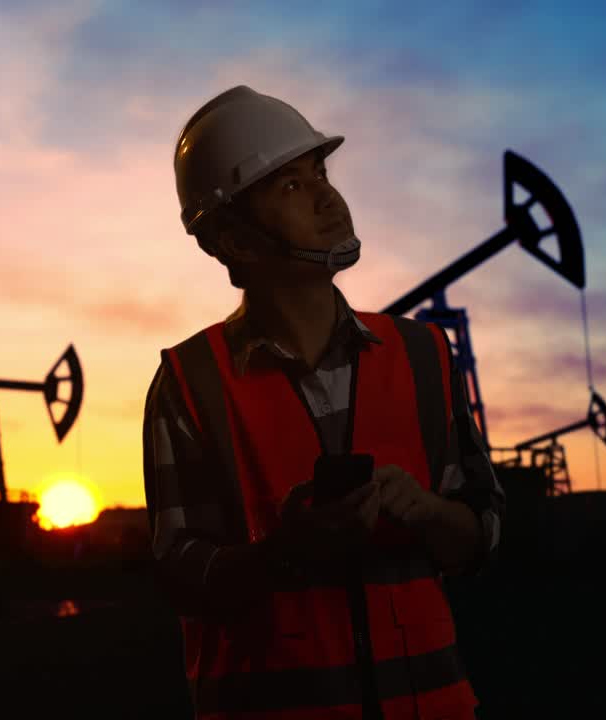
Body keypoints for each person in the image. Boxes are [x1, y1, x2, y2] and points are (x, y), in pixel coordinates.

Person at [143, 85, 505, 720]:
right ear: (235, 241)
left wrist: (425, 511)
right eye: (289, 186)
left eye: (320, 172)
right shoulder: (190, 384)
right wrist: (288, 551)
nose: (328, 196)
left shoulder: (424, 356)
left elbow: (484, 532)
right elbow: (179, 572)